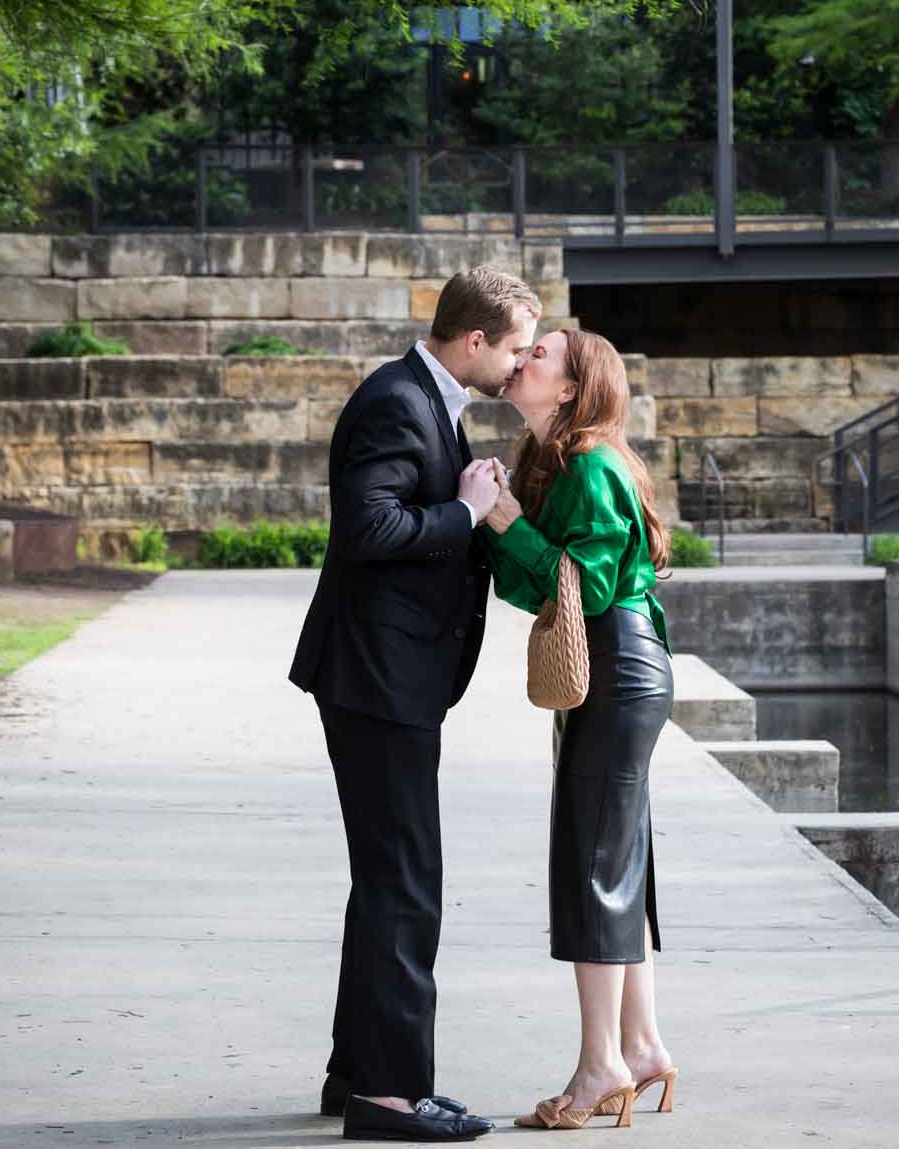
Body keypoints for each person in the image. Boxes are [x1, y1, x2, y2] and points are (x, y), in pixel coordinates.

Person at [289, 267, 541, 1143]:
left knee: (386, 880)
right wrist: (466, 514)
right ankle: (391, 1095)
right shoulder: (398, 400)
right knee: (407, 883)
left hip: (385, 678)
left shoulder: (427, 401)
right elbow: (369, 530)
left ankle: (356, 1072)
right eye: (512, 349)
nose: (516, 368)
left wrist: (469, 499)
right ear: (474, 340)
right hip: (376, 679)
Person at [481, 328, 679, 1132]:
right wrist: (508, 518)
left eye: (541, 355)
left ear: (568, 388)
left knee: (592, 859)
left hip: (618, 664)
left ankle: (601, 1063)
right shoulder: (562, 462)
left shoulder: (592, 464)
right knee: (616, 856)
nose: (522, 358)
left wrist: (503, 520)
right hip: (617, 667)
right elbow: (536, 583)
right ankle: (641, 1045)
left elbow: (586, 585)